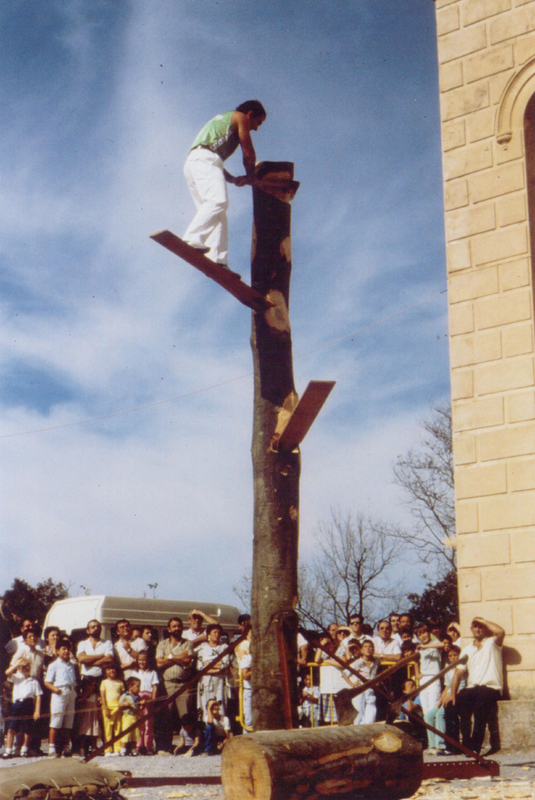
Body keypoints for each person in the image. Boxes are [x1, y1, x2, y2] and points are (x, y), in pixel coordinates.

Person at [183, 101, 267, 271]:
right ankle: (191, 238)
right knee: (218, 202)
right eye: (258, 122)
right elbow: (248, 152)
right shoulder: (240, 117)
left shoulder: (226, 120)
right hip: (205, 161)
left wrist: (233, 179)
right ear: (250, 114)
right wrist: (252, 176)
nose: (257, 128)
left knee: (217, 213)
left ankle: (219, 260)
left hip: (196, 162)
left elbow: (213, 159)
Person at [449, 617, 505, 755]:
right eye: (475, 626)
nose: (478, 629)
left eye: (481, 627)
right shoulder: (467, 649)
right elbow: (459, 672)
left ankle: (474, 747)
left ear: (485, 628)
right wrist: (452, 693)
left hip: (490, 687)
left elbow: (501, 631)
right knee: (451, 706)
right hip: (472, 688)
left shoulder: (492, 643)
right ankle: (456, 746)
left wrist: (483, 620)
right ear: (471, 629)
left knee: (480, 708)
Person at [156, 618, 196, 723]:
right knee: (166, 715)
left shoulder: (188, 644)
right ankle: (167, 739)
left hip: (183, 685)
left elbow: (187, 659)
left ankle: (186, 739)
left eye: (179, 626)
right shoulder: (162, 644)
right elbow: (159, 663)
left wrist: (168, 656)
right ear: (169, 629)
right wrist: (179, 657)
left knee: (185, 716)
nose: (177, 628)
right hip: (167, 685)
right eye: (174, 626)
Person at [44, 637, 78, 758]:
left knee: (68, 722)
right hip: (59, 692)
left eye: (68, 649)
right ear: (57, 651)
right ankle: (52, 748)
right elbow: (47, 682)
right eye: (63, 649)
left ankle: (66, 748)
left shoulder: (72, 665)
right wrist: (56, 690)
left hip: (70, 691)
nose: (66, 651)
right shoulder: (54, 665)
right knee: (56, 720)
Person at [3, 657, 42, 758]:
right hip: (17, 704)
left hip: (28, 704)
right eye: (24, 666)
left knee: (27, 729)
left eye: (28, 666)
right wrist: (17, 664)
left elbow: (38, 696)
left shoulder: (34, 681)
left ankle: (24, 749)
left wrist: (37, 710)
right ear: (19, 667)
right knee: (11, 728)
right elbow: (7, 672)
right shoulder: (16, 677)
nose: (27, 668)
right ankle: (8, 751)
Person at [197, 624, 230, 717]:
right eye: (214, 632)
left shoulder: (224, 647)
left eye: (219, 633)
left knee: (220, 707)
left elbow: (224, 664)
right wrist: (216, 667)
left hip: (219, 681)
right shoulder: (202, 648)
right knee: (205, 707)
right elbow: (200, 667)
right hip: (205, 682)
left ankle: (220, 730)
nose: (217, 634)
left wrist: (207, 664)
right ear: (209, 634)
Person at [134, 650, 158, 754]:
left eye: (144, 659)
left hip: (148, 698)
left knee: (148, 724)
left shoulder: (153, 672)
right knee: (139, 724)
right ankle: (138, 747)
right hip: (138, 699)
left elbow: (155, 687)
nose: (142, 662)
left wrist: (153, 700)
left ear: (148, 660)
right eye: (140, 659)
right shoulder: (135, 672)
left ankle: (148, 747)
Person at [100, 665, 124, 756]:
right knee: (108, 729)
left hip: (118, 706)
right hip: (108, 707)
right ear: (105, 672)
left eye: (113, 668)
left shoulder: (120, 682)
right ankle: (108, 750)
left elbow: (122, 695)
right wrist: (105, 708)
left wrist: (121, 705)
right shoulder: (104, 682)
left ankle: (117, 749)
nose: (111, 670)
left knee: (118, 728)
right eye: (109, 669)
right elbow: (103, 696)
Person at [118, 676, 142, 756]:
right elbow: (119, 705)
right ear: (130, 687)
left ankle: (134, 749)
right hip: (127, 717)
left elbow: (139, 707)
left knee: (135, 734)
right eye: (137, 686)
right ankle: (123, 750)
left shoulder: (138, 697)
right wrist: (124, 703)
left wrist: (142, 704)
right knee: (126, 734)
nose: (139, 688)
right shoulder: (125, 695)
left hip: (135, 717)